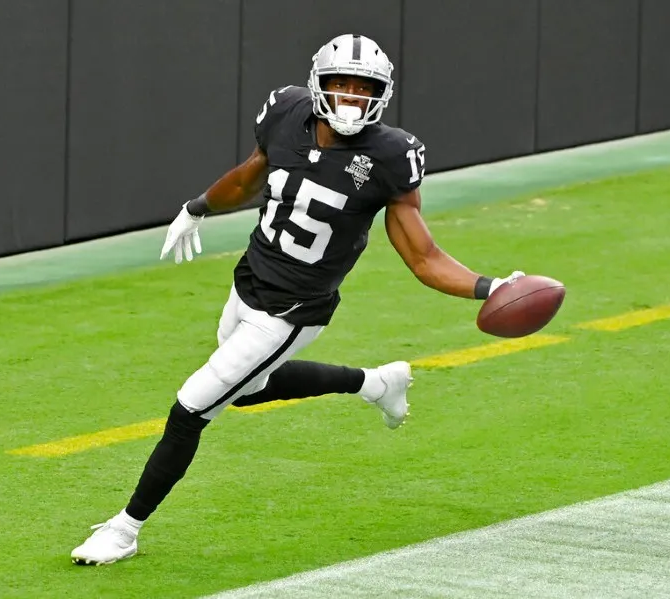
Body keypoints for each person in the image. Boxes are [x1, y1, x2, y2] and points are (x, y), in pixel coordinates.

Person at [70, 33, 523, 565]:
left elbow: (423, 256)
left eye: (365, 88)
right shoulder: (286, 112)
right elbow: (248, 178)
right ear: (319, 85)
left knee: (191, 407)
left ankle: (124, 530)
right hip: (249, 280)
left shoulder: (389, 154)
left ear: (383, 93)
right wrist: (198, 207)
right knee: (244, 391)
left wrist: (489, 287)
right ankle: (376, 383)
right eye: (342, 85)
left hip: (292, 312)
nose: (353, 97)